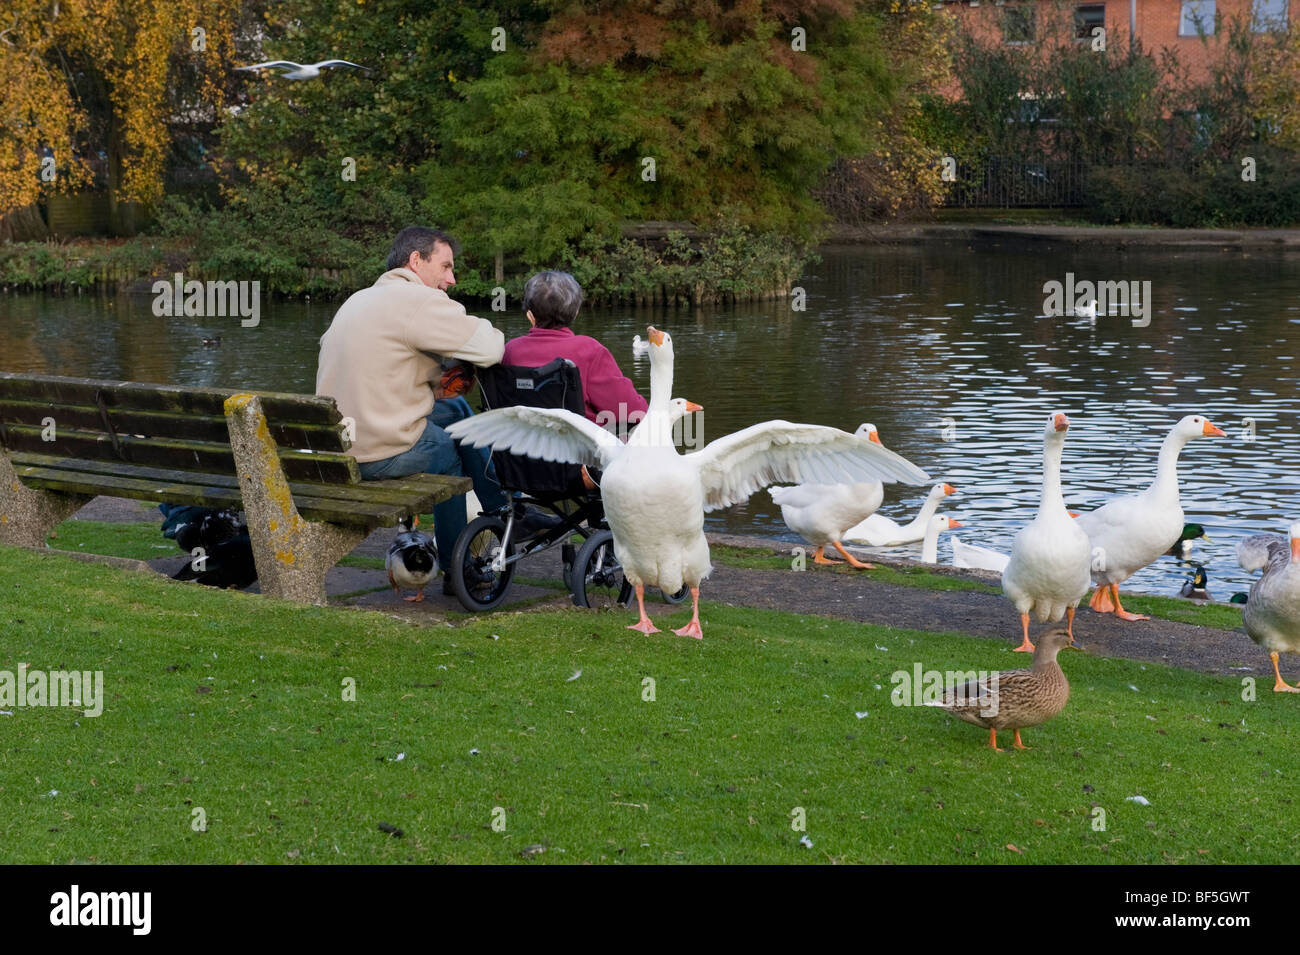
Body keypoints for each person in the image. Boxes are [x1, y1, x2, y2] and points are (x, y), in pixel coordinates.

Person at [316, 226, 508, 588]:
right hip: (378, 455)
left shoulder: (357, 300)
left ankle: (497, 507)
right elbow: (491, 348)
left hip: (341, 450)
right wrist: (455, 315)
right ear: (416, 260)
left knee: (457, 415)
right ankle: (460, 566)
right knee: (450, 453)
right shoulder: (418, 301)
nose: (452, 279)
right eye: (446, 266)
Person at [503, 271, 648, 431]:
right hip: (583, 453)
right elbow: (634, 411)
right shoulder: (589, 350)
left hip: (523, 450)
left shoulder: (510, 350)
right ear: (576, 312)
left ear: (530, 315)